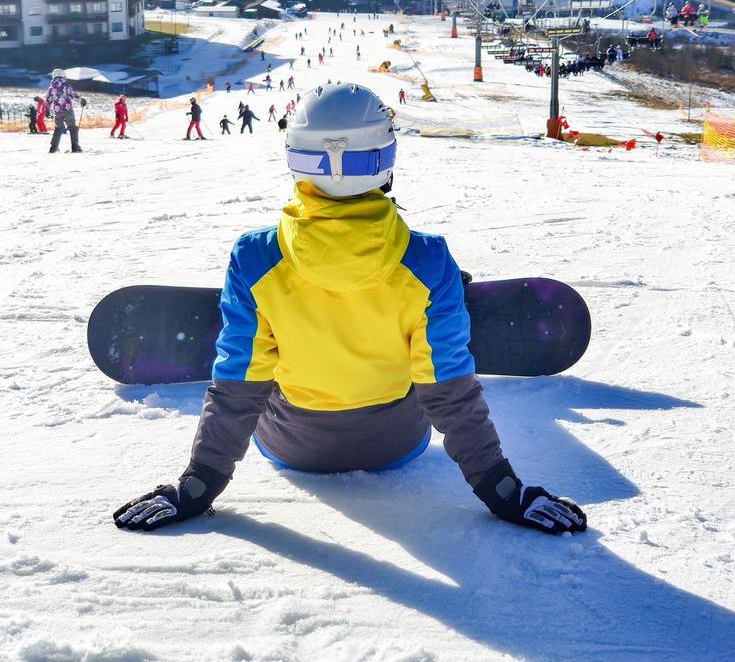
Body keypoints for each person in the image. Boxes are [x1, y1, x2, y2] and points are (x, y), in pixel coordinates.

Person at [113, 84, 587, 537]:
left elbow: (238, 390)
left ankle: (280, 328)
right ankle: (444, 311)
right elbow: (450, 396)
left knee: (254, 351)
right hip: (397, 444)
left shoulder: (253, 257)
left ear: (296, 158)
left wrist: (198, 484)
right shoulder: (428, 260)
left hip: (290, 447)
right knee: (438, 352)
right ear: (385, 158)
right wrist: (502, 488)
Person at [46, 69, 85, 154]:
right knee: (72, 128)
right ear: (63, 76)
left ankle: (53, 148)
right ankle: (75, 147)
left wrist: (47, 110)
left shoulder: (51, 87)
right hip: (68, 110)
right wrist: (81, 100)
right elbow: (73, 95)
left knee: (58, 129)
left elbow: (49, 100)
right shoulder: (66, 85)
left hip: (57, 111)